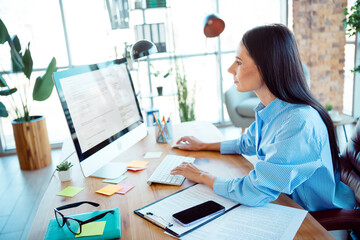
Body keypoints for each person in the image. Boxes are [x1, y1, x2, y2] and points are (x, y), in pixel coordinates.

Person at [170, 24, 356, 212]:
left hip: (310, 216)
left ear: (266, 68)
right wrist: (203, 145)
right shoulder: (274, 110)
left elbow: (254, 190)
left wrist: (202, 176)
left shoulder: (299, 121)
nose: (230, 69)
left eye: (239, 62)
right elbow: (247, 143)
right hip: (285, 201)